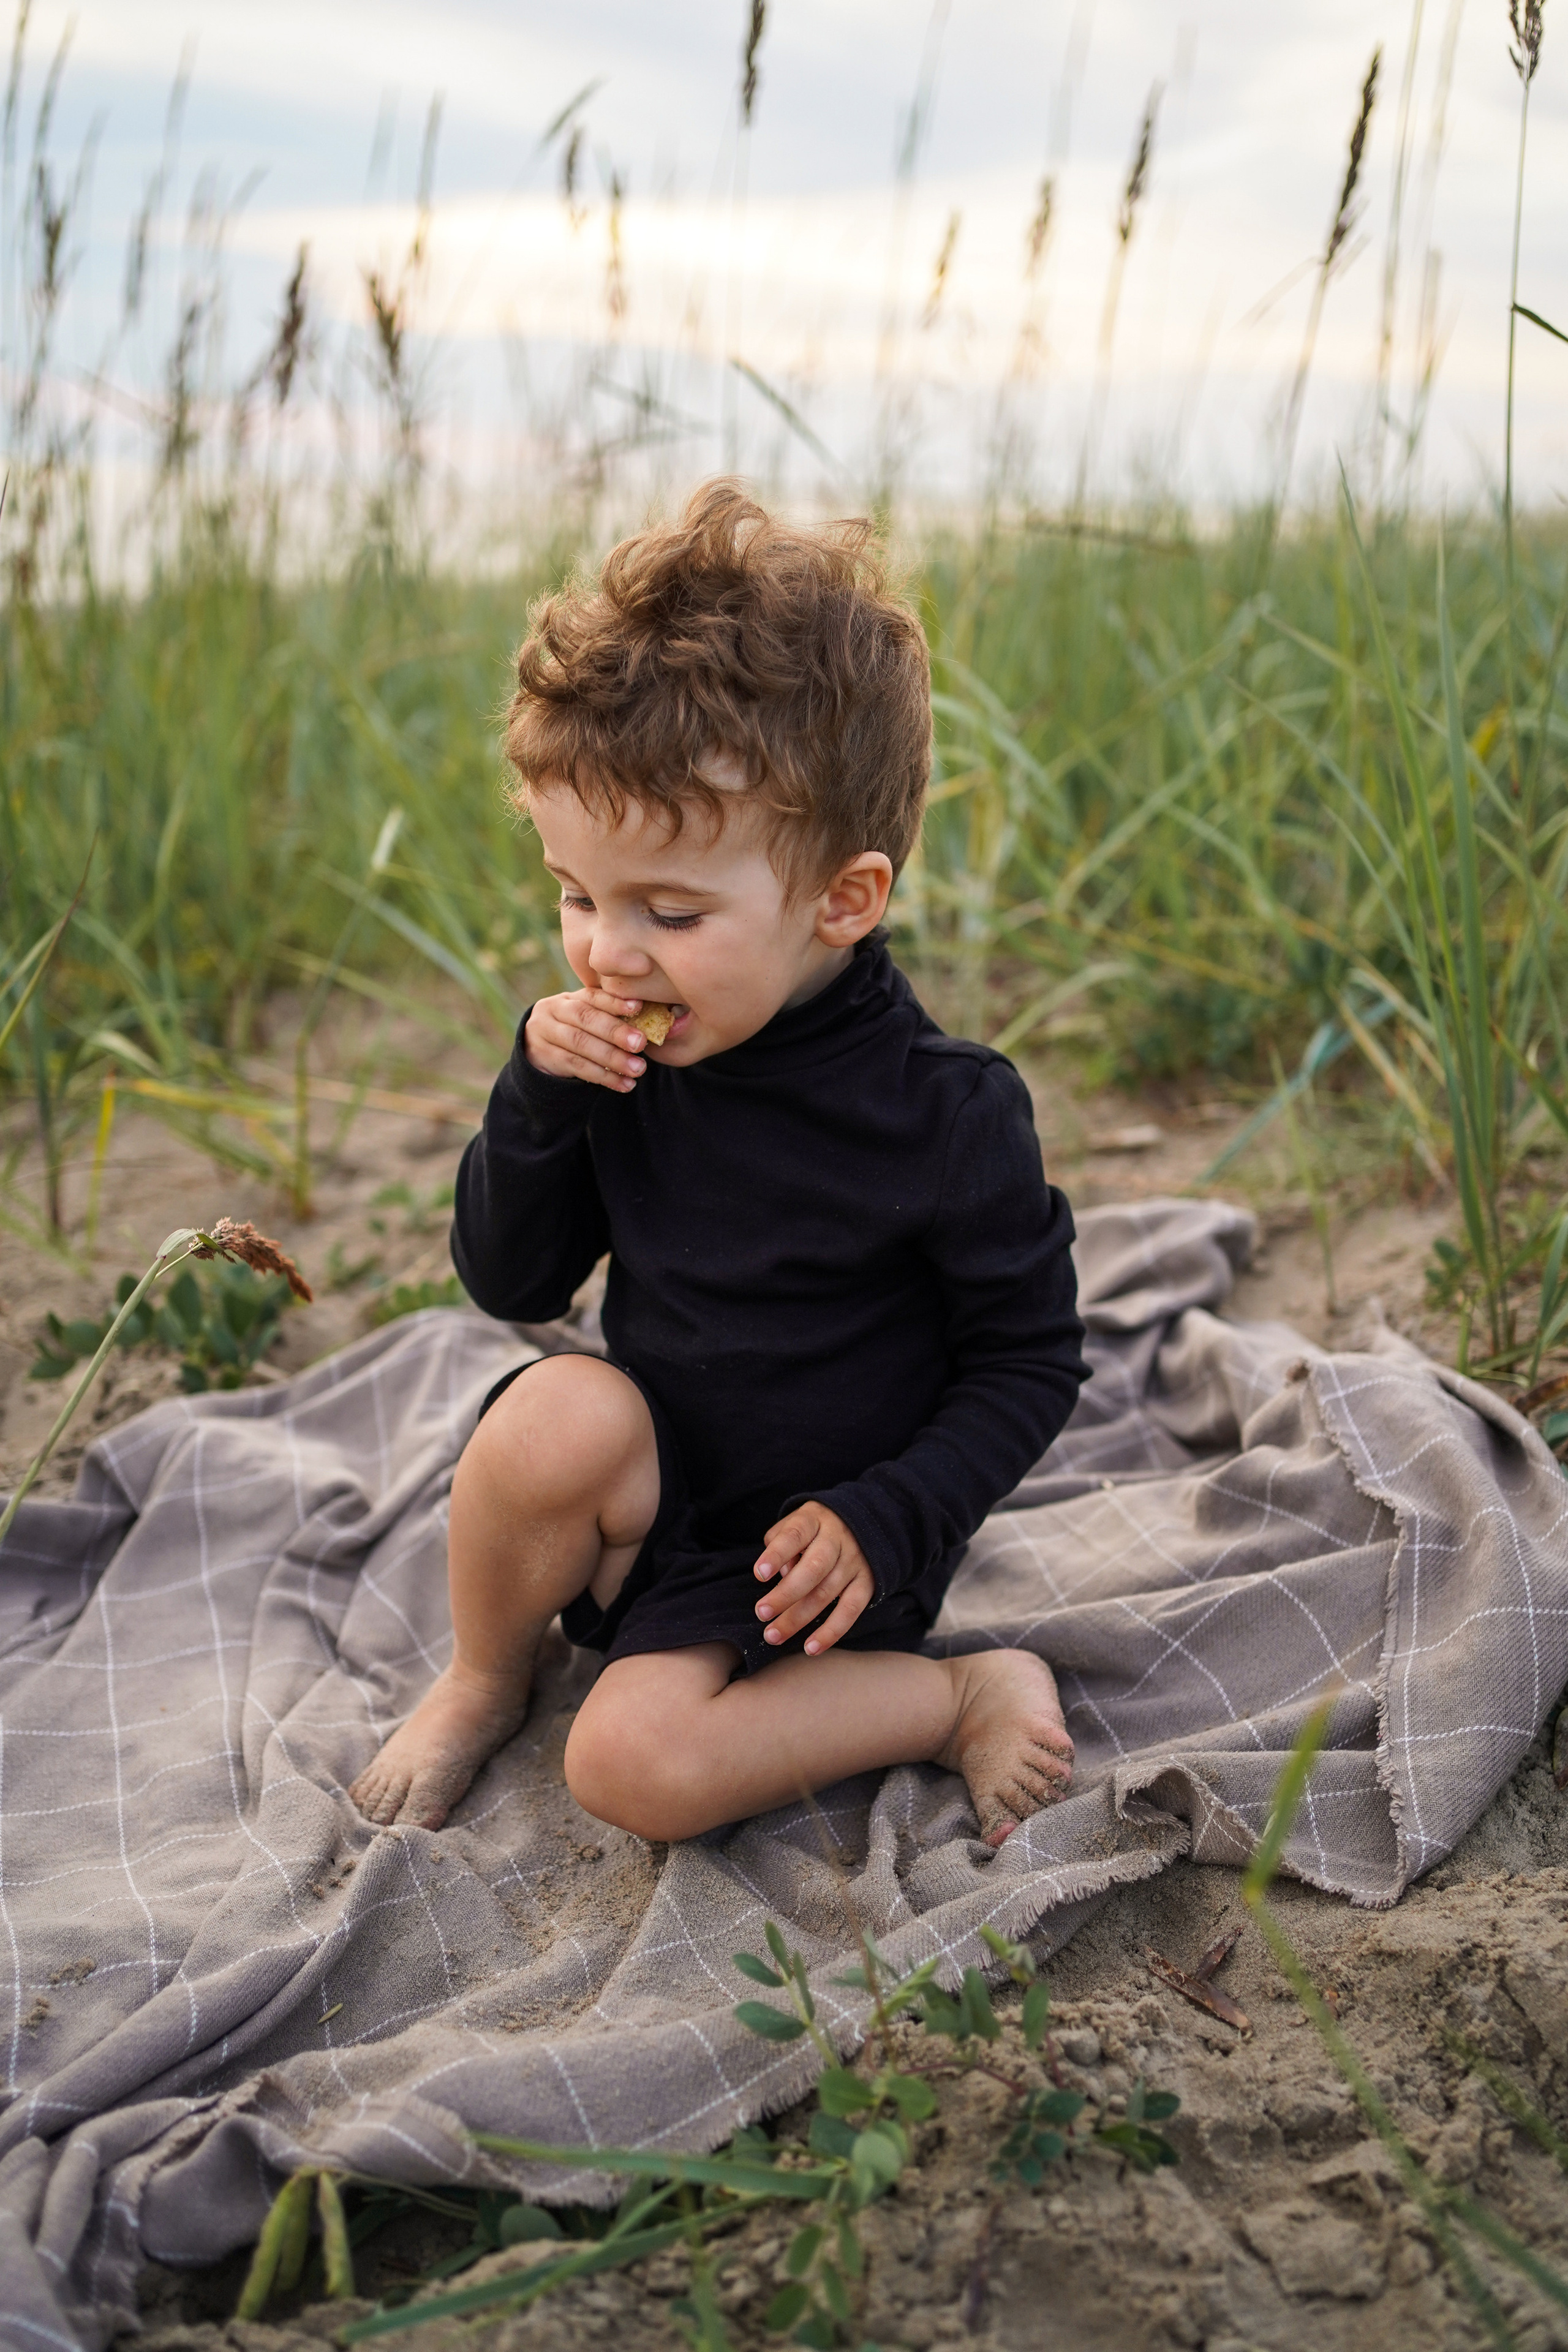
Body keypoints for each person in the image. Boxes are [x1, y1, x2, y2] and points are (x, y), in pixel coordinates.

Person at [350, 481, 1088, 1849]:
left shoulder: (946, 1115)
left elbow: (1029, 1363)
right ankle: (483, 1674)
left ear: (841, 901)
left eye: (669, 911)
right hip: (656, 1493)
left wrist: (891, 1514)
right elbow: (511, 1277)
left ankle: (945, 1695)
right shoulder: (626, 1058)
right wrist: (536, 1094)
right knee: (546, 1414)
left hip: (819, 1553)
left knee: (630, 1766)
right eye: (577, 895)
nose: (607, 952)